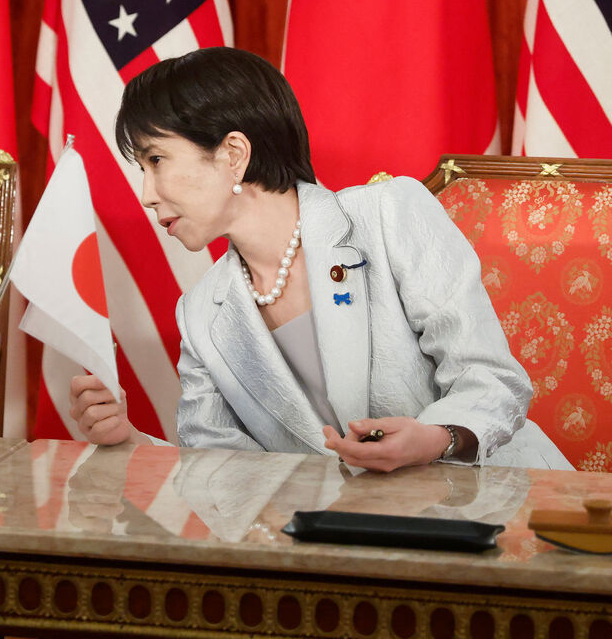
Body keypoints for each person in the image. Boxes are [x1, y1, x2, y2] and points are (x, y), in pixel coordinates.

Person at [69, 47, 571, 472]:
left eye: (156, 160)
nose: (146, 194)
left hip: (500, 507)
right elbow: (219, 470)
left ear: (233, 154)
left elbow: (492, 378)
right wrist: (129, 442)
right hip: (345, 540)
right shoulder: (200, 313)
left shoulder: (389, 213)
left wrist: (437, 437)